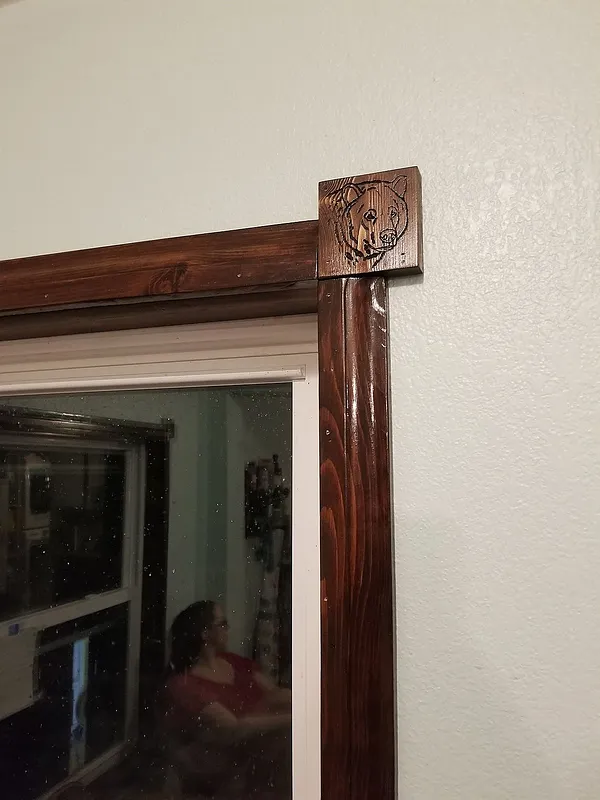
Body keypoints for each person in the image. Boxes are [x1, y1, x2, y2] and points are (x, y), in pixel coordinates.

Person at [162, 601, 291, 798]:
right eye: (222, 624)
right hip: (227, 759)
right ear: (205, 634)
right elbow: (234, 727)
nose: (227, 628)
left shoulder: (232, 661)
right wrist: (293, 719)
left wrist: (310, 703)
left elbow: (274, 693)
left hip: (261, 745)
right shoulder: (185, 683)